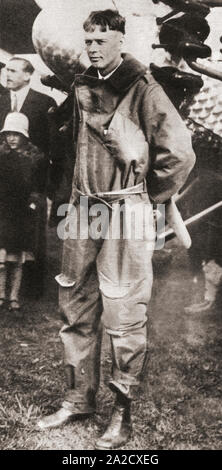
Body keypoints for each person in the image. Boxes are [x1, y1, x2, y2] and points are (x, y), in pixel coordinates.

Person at [37, 9, 195, 449]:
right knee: (75, 303)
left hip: (126, 212)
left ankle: (121, 412)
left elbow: (179, 155)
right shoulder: (81, 85)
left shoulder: (143, 88)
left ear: (120, 42)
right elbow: (70, 150)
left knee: (124, 315)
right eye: (88, 41)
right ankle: (78, 398)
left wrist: (149, 199)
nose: (93, 48)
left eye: (102, 41)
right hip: (83, 210)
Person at [0, 56, 62, 296]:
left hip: (32, 182)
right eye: (6, 70)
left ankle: (31, 287)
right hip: (3, 180)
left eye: (13, 71)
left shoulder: (44, 102)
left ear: (28, 74)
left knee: (32, 233)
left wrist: (46, 183)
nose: (7, 74)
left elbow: (52, 145)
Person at [0, 112, 45, 313]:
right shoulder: (1, 155)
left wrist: (34, 202)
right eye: (8, 134)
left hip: (23, 212)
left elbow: (38, 185)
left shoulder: (35, 158)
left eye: (16, 134)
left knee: (18, 256)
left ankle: (14, 296)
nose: (11, 138)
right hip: (3, 210)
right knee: (1, 257)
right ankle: (1, 294)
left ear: (24, 136)